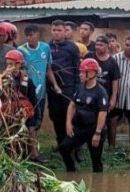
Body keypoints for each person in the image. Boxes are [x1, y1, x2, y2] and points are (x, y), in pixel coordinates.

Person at [60, 58, 108, 173]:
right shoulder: (80, 87)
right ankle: (71, 171)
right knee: (64, 148)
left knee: (96, 162)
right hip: (79, 129)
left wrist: (97, 133)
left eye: (82, 72)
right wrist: (68, 122)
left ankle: (98, 184)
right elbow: (72, 105)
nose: (80, 75)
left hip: (94, 130)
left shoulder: (100, 92)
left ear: (91, 73)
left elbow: (102, 113)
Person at [19, 24, 59, 162]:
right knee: (28, 121)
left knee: (38, 121)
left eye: (33, 34)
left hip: (41, 93)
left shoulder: (45, 48)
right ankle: (33, 153)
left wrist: (55, 85)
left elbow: (48, 69)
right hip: (26, 93)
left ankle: (31, 149)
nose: (31, 37)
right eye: (28, 35)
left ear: (38, 34)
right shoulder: (21, 50)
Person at [48, 19, 80, 148]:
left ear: (64, 31)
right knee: (56, 116)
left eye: (59, 30)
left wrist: (78, 88)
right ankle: (61, 144)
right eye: (54, 30)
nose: (56, 33)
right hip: (52, 89)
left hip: (69, 87)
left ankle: (76, 146)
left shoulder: (72, 47)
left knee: (72, 116)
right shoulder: (47, 46)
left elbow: (77, 68)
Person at [84, 35, 119, 123]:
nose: (98, 47)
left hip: (104, 97)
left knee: (103, 122)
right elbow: (82, 73)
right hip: (88, 94)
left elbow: (115, 81)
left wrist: (113, 98)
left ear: (107, 46)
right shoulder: (89, 56)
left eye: (101, 45)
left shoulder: (112, 62)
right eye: (97, 44)